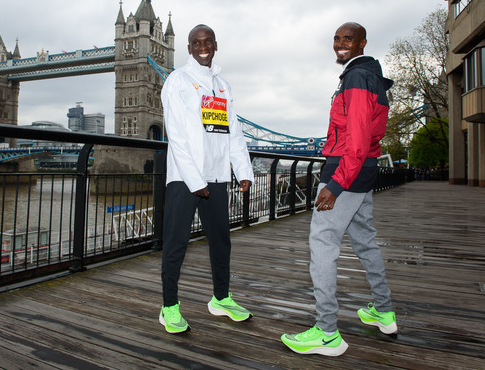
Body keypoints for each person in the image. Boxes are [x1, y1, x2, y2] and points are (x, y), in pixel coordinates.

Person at [280, 22, 396, 356]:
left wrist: (336, 184)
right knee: (365, 241)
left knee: (322, 243)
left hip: (346, 171)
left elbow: (356, 138)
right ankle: (384, 311)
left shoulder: (356, 78)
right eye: (336, 38)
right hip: (364, 170)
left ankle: (327, 332)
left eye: (348, 39)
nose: (340, 43)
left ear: (362, 43)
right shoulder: (371, 77)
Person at [158, 24, 254, 334]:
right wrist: (193, 179)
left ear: (215, 45)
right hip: (185, 178)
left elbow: (233, 133)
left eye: (207, 41)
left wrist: (243, 171)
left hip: (216, 175)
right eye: (196, 43)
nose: (202, 47)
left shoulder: (222, 86)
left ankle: (221, 299)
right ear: (188, 48)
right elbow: (175, 134)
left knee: (221, 242)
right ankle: (169, 307)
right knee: (176, 243)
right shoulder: (177, 81)